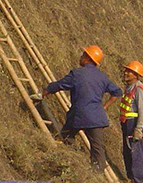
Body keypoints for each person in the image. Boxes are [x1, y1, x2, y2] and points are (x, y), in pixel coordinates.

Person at [42, 45, 122, 173]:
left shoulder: (77, 74)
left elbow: (60, 85)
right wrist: (105, 107)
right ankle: (98, 176)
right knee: (98, 149)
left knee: (67, 137)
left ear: (87, 58)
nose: (80, 57)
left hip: (79, 115)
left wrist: (47, 89)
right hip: (97, 117)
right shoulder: (102, 77)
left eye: (83, 55)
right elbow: (117, 92)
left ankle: (71, 164)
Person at [118, 61, 143, 183]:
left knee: (136, 151)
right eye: (126, 71)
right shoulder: (129, 88)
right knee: (128, 150)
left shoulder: (139, 89)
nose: (126, 73)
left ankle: (140, 181)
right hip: (127, 123)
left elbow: (142, 111)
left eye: (129, 72)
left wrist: (139, 128)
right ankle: (131, 178)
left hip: (134, 124)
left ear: (136, 75)